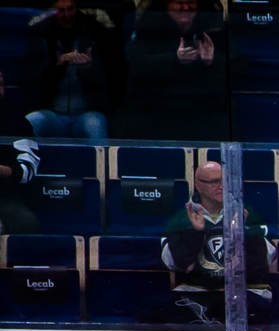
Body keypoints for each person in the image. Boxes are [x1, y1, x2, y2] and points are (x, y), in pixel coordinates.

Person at [160, 159, 275, 326]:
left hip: (244, 293)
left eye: (224, 181)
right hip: (197, 293)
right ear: (198, 185)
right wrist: (196, 233)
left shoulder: (248, 214)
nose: (221, 186)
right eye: (214, 182)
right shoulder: (181, 219)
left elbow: (265, 261)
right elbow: (176, 264)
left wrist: (242, 234)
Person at [122, 0, 228, 142]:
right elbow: (136, 65)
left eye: (191, 2)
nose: (185, 7)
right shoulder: (147, 30)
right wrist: (174, 59)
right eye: (179, 2)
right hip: (158, 110)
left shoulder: (214, 31)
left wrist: (212, 60)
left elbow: (238, 64)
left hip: (202, 111)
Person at [26, 0, 119, 141]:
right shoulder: (42, 38)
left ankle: (103, 163)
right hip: (54, 114)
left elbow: (109, 86)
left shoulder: (95, 35)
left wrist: (88, 69)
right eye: (61, 10)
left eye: (70, 9)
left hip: (85, 114)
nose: (67, 15)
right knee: (33, 120)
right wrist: (58, 66)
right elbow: (35, 84)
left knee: (95, 124)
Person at [0, 71, 42, 235]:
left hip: (4, 196)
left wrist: (3, 170)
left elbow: (28, 170)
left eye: (1, 84)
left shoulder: (16, 122)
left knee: (26, 223)